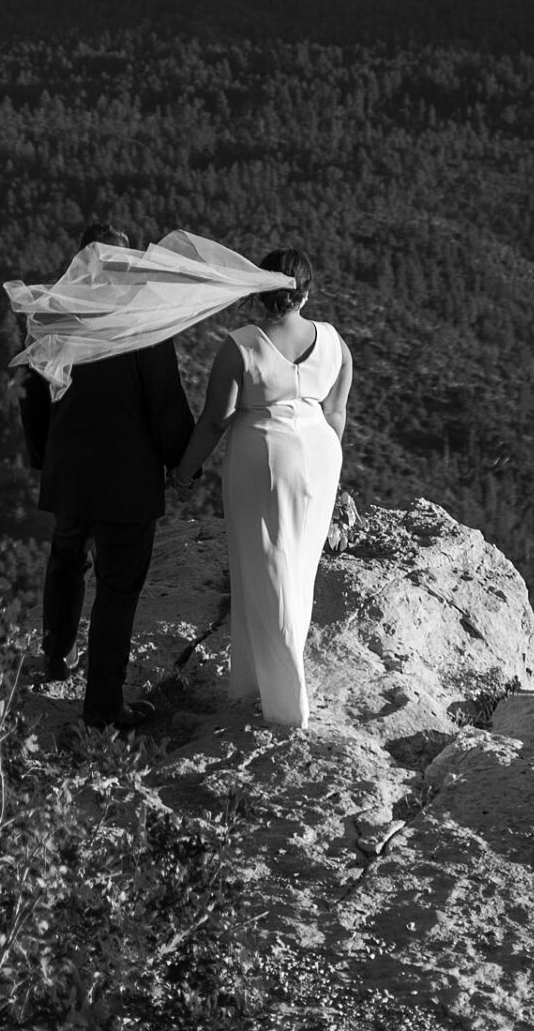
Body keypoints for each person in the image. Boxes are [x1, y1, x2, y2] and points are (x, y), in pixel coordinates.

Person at [18, 221, 195, 732]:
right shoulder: (142, 326)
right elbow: (165, 403)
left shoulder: (53, 317)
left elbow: (31, 395)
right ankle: (102, 706)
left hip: (70, 471)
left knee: (66, 559)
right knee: (117, 589)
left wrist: (43, 458)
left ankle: (55, 656)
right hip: (127, 481)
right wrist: (184, 464)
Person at [172, 245, 352, 731]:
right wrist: (326, 466)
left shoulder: (242, 345)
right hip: (319, 457)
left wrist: (184, 472)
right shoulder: (335, 341)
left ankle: (285, 699)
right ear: (307, 291)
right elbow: (336, 411)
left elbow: (214, 420)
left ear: (258, 289)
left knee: (265, 564)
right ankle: (258, 678)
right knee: (299, 567)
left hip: (264, 458)